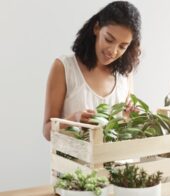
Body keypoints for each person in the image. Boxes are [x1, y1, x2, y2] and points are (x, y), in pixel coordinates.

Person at [43, 1, 141, 141]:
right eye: (108, 39)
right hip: (77, 161)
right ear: (96, 28)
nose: (113, 51)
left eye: (122, 46)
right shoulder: (64, 67)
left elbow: (123, 129)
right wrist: (74, 120)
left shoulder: (125, 73)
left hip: (120, 161)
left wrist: (130, 118)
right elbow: (47, 131)